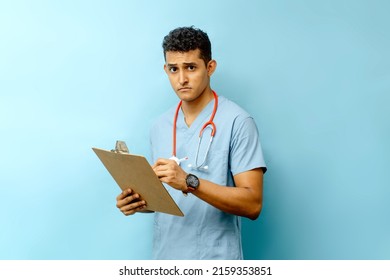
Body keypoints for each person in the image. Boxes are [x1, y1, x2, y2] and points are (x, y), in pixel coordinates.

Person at [116, 26, 267, 260]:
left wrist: (188, 181)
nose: (182, 79)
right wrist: (137, 203)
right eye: (174, 69)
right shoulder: (159, 126)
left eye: (191, 68)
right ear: (166, 69)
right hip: (166, 258)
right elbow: (168, 199)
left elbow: (252, 204)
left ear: (210, 67)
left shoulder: (238, 121)